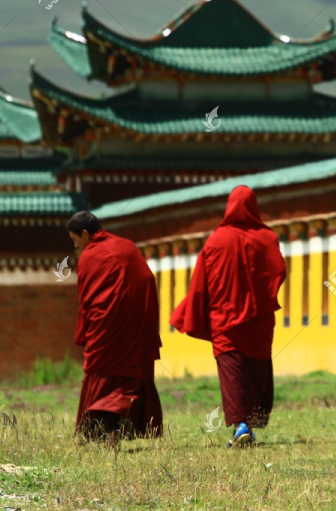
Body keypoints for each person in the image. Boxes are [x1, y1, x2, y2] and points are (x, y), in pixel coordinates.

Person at [171, 185, 286, 448]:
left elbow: (201, 281)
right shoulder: (268, 238)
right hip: (259, 321)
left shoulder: (216, 239)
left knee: (233, 374)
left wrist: (191, 308)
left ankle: (241, 425)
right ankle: (249, 426)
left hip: (225, 319)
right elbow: (279, 270)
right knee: (256, 370)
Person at [68, 211, 163, 446]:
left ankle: (105, 431)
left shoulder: (89, 256)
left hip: (105, 329)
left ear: (85, 234)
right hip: (134, 327)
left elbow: (87, 299)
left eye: (75, 240)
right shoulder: (127, 246)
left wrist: (87, 326)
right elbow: (147, 281)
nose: (76, 246)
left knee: (103, 378)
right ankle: (113, 432)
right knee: (127, 379)